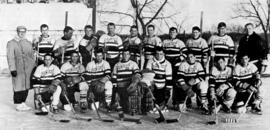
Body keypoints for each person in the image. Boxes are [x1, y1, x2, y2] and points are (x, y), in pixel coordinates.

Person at [7, 26, 36, 111]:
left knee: (26, 86)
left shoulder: (28, 42)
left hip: (28, 69)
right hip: (18, 68)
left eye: (24, 31)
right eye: (20, 31)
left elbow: (31, 56)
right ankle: (18, 104)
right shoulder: (11, 43)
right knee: (18, 86)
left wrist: (34, 66)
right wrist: (12, 69)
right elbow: (10, 57)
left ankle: (23, 103)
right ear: (17, 32)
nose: (22, 33)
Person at [112, 49, 140, 113]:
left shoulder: (133, 64)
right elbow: (114, 77)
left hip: (129, 86)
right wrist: (115, 88)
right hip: (120, 86)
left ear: (129, 55)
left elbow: (137, 73)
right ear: (122, 55)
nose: (125, 56)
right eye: (124, 54)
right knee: (123, 106)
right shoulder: (117, 65)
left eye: (127, 54)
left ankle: (133, 108)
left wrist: (135, 82)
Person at [146, 47, 172, 113]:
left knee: (163, 96)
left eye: (161, 54)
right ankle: (152, 106)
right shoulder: (151, 61)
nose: (159, 56)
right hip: (153, 83)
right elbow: (147, 73)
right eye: (157, 54)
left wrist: (168, 89)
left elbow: (169, 78)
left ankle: (162, 106)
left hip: (162, 85)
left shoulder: (167, 63)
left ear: (163, 54)